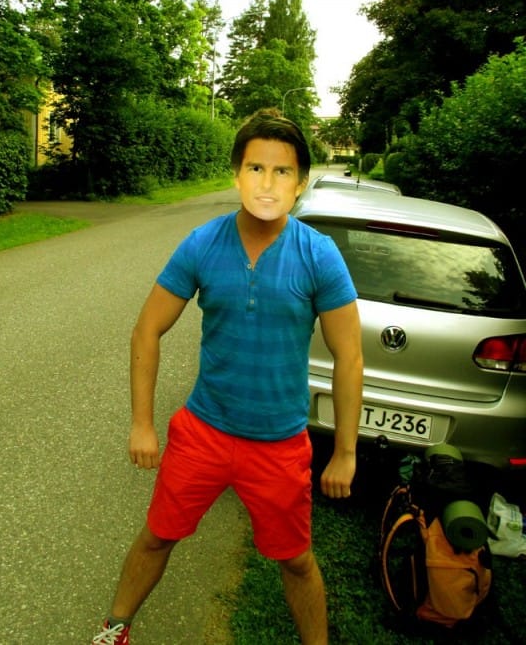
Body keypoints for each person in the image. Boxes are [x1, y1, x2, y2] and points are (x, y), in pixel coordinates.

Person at [91, 108, 363, 645]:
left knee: (297, 561)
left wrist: (346, 451)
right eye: (256, 168)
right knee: (157, 536)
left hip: (279, 444)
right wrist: (142, 423)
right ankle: (114, 629)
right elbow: (147, 330)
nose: (268, 182)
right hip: (203, 433)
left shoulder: (319, 255)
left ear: (300, 184)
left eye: (282, 171)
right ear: (237, 175)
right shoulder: (202, 243)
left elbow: (349, 357)